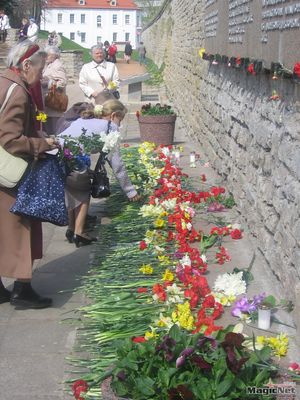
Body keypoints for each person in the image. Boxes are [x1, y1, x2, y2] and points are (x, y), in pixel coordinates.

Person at [0, 40, 58, 309]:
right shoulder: (19, 92)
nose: (42, 75)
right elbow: (9, 138)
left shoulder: (3, 81)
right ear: (26, 65)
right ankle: (22, 289)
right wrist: (41, 144)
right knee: (21, 228)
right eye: (41, 68)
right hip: (10, 174)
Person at [58, 99, 140, 247]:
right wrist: (130, 191)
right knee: (83, 193)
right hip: (73, 157)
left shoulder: (89, 119)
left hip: (59, 155)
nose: (120, 125)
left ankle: (71, 229)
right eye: (120, 120)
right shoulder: (110, 127)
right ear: (113, 115)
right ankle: (79, 233)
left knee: (71, 191)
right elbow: (117, 164)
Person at [41, 45, 67, 135]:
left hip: (53, 105)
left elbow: (62, 83)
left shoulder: (57, 65)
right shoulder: (48, 64)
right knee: (44, 127)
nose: (45, 57)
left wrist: (47, 83)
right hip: (46, 105)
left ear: (55, 55)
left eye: (47, 55)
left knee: (53, 131)